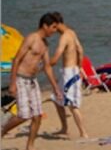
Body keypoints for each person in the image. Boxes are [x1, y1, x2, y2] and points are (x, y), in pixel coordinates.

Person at [2, 13, 64, 150]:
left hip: (32, 81)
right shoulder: (31, 38)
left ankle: (30, 146)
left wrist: (56, 88)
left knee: (37, 116)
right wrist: (12, 83)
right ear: (45, 26)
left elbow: (47, 67)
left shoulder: (45, 44)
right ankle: (2, 130)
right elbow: (17, 60)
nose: (55, 31)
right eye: (53, 27)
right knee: (24, 115)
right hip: (21, 79)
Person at [47, 12, 88, 139]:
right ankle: (64, 128)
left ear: (56, 24)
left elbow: (57, 55)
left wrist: (47, 64)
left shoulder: (64, 37)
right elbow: (80, 50)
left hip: (69, 74)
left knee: (72, 105)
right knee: (56, 99)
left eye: (53, 26)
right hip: (71, 71)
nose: (52, 30)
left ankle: (83, 133)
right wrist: (80, 67)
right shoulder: (72, 32)